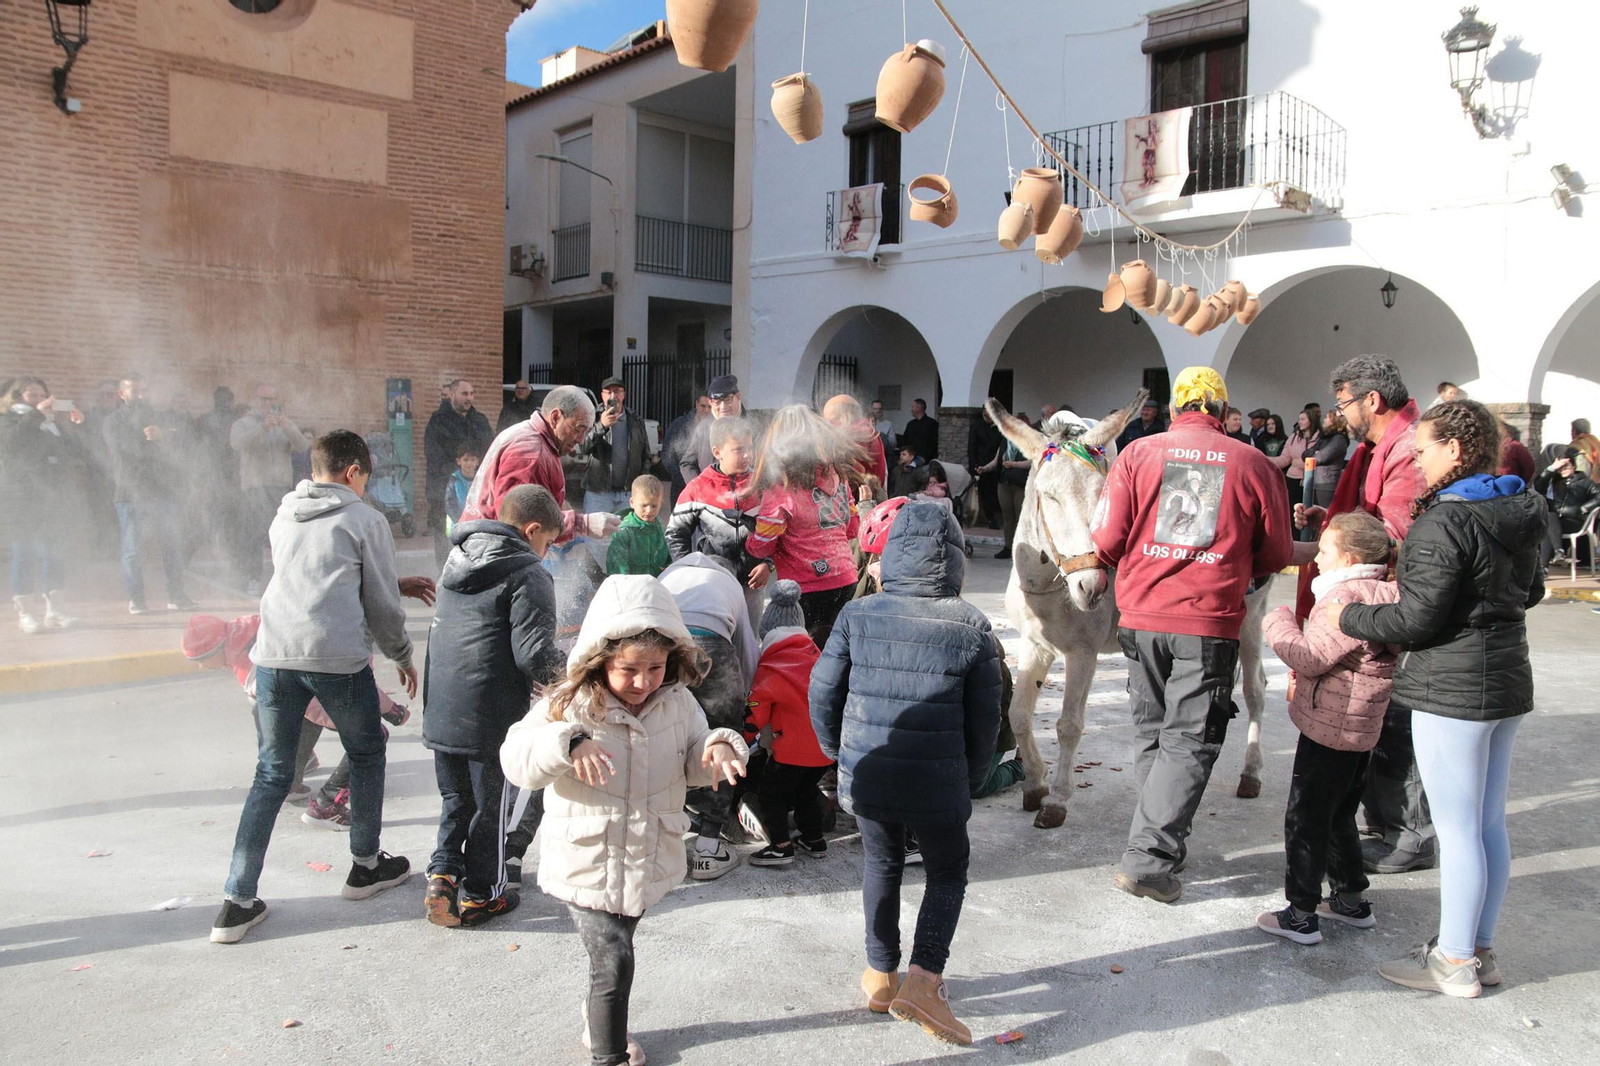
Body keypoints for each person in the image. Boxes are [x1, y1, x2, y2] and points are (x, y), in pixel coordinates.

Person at [1324, 400, 1545, 998]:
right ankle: (1478, 951)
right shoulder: (1522, 505)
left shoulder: (1443, 520)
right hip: (1504, 679)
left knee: (1457, 829)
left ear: (1454, 448)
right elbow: (1534, 589)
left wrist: (1352, 612)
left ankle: (1452, 961)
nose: (1417, 463)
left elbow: (1416, 618)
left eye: (1422, 451)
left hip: (1454, 688)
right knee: (1486, 824)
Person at [498, 575, 748, 1066]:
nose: (643, 681)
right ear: (600, 660)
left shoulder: (678, 701)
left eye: (655, 667)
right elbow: (515, 757)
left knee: (612, 960)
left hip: (642, 858)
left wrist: (716, 747)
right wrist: (567, 742)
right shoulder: (570, 704)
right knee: (614, 961)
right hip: (587, 860)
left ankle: (600, 1023)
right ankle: (607, 1053)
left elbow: (693, 756)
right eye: (629, 670)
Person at [1091, 366, 1293, 903]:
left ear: (1176, 407)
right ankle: (1150, 859)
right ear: (1223, 411)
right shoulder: (1254, 462)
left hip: (1139, 617)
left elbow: (1107, 539)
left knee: (1152, 731)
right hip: (1206, 621)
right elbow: (1274, 554)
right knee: (1190, 739)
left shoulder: (1136, 454)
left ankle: (1158, 841)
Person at [211, 431, 419, 945]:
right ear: (354, 472)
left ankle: (236, 903)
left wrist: (395, 585)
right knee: (367, 751)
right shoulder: (365, 519)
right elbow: (379, 605)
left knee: (272, 775)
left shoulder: (285, 513)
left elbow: (321, 578)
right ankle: (365, 867)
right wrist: (402, 655)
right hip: (334, 657)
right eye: (366, 477)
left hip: (276, 654)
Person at [809, 500, 1001, 1046]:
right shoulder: (973, 625)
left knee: (882, 862)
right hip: (939, 780)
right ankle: (924, 981)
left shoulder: (857, 614)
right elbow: (985, 720)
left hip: (869, 772)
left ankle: (880, 976)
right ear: (956, 561)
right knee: (947, 870)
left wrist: (836, 753)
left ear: (891, 555)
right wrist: (974, 780)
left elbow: (823, 691)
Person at [1294, 355, 1432, 875]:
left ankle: (1410, 834)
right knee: (1380, 717)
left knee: (1393, 719)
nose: (1340, 414)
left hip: (1393, 604)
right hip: (1378, 601)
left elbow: (1393, 537)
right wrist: (1330, 525)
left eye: (1344, 403)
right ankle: (1388, 822)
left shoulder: (1406, 450)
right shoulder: (1378, 447)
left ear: (1371, 401)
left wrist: (1343, 541)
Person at [422, 484, 564, 929]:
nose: (545, 554)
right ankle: (484, 894)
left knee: (454, 799)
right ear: (532, 530)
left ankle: (443, 875)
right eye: (546, 544)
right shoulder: (527, 573)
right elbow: (534, 655)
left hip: (442, 707)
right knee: (490, 808)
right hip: (489, 714)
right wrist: (571, 679)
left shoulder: (456, 559)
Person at [1257, 511, 1400, 946]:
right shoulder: (1385, 592)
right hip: (1359, 725)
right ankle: (1350, 899)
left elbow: (1310, 658)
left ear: (1350, 556)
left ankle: (1301, 913)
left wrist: (1276, 621)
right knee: (1340, 813)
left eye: (1324, 551)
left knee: (1306, 817)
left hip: (1329, 727)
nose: (1315, 559)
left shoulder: (1344, 597)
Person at [182, 610, 416, 828]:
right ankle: (301, 783)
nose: (203, 667)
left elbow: (325, 699)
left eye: (203, 659)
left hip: (316, 683)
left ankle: (322, 801)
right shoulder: (256, 627)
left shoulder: (251, 666)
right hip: (315, 681)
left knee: (368, 733)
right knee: (336, 720)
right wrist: (387, 710)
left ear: (218, 648)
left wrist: (375, 714)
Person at [659, 552, 759, 878]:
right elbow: (745, 645)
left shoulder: (669, 575)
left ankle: (663, 837)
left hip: (666, 650)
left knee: (665, 735)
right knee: (722, 740)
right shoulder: (729, 582)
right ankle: (707, 848)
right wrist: (743, 699)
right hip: (715, 646)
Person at [746, 405, 861, 647]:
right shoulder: (837, 475)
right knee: (838, 651)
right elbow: (852, 527)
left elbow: (764, 543)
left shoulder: (783, 485)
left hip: (805, 586)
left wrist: (750, 544)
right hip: (846, 576)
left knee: (807, 654)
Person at [742, 580, 833, 866]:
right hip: (823, 751)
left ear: (768, 634)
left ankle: (780, 846)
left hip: (790, 751)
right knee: (805, 791)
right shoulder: (819, 659)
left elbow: (756, 709)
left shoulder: (772, 667)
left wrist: (741, 739)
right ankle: (814, 838)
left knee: (772, 795)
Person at [460, 386, 619, 544]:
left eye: (587, 432)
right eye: (579, 429)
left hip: (488, 546)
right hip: (490, 551)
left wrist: (558, 507)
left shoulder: (535, 437)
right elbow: (518, 520)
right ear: (556, 417)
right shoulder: (529, 454)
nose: (581, 440)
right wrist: (582, 525)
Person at [103, 373, 193, 614]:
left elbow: (182, 441)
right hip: (130, 494)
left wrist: (164, 436)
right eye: (135, 390)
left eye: (144, 390)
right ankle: (137, 599)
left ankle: (176, 595)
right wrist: (151, 440)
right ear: (122, 394)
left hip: (162, 491)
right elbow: (124, 450)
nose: (141, 395)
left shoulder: (159, 417)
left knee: (172, 544)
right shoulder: (113, 421)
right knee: (133, 549)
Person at [665, 416, 767, 624]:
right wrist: (690, 568)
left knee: (750, 640)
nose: (747, 455)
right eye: (738, 449)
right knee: (718, 633)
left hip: (753, 582)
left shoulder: (762, 483)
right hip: (713, 581)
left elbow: (778, 529)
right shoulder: (698, 487)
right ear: (717, 452)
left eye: (749, 447)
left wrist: (768, 564)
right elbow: (675, 533)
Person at [3, 376, 85, 631]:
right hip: (21, 498)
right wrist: (36, 416)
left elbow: (70, 453)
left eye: (42, 395)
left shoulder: (49, 424)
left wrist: (75, 426)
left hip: (53, 498)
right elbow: (12, 445)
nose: (38, 400)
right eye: (31, 395)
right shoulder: (10, 420)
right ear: (17, 397)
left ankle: (55, 610)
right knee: (24, 554)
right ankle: (25, 613)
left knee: (54, 554)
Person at [230, 384, 311, 595]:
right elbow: (237, 443)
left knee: (284, 536)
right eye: (264, 399)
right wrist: (262, 428)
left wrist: (288, 427)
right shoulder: (243, 423)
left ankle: (284, 579)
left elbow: (302, 446)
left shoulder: (284, 423)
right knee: (254, 535)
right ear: (255, 400)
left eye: (272, 399)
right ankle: (253, 578)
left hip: (280, 487)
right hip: (254, 488)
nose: (268, 404)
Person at [424, 379, 494, 570]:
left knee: (476, 538)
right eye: (464, 394)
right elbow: (433, 456)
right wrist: (459, 474)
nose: (469, 398)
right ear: (452, 394)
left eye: (471, 394)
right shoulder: (438, 421)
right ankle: (446, 578)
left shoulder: (479, 420)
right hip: (443, 490)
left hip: (475, 490)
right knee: (445, 541)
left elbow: (491, 450)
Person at [581, 377, 652, 518]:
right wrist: (601, 426)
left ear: (623, 395)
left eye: (617, 391)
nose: (613, 396)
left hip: (628, 494)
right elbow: (583, 446)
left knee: (626, 537)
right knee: (595, 538)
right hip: (598, 493)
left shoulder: (635, 420)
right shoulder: (592, 417)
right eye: (609, 392)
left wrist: (641, 487)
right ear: (602, 395)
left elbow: (646, 456)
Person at [1534, 447, 1599, 564]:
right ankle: (1557, 553)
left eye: (1566, 466)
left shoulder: (1586, 483)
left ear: (1574, 466)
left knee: (1547, 524)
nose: (1563, 469)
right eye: (1560, 468)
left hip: (1574, 521)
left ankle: (1545, 565)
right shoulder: (1556, 482)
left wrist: (1583, 508)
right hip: (1556, 522)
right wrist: (1552, 468)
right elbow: (1538, 485)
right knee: (1547, 518)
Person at [678, 375, 745, 486]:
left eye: (728, 400)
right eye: (717, 402)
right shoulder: (704, 428)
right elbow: (687, 464)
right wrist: (700, 487)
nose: (723, 407)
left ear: (738, 397)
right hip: (707, 500)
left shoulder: (753, 428)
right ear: (710, 402)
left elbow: (760, 470)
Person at [605, 475, 671, 577]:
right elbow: (617, 569)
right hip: (631, 589)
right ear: (632, 502)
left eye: (654, 506)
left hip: (657, 587)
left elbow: (670, 561)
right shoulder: (624, 532)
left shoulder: (662, 530)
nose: (649, 511)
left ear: (661, 503)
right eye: (644, 505)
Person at [1271, 407, 1321, 537]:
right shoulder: (1293, 437)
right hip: (1292, 480)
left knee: (1308, 514)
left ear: (1311, 420)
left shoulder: (1320, 438)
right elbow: (1284, 459)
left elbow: (1320, 459)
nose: (1300, 422)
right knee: (1292, 514)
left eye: (1303, 419)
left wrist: (1300, 463)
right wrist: (1265, 459)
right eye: (1299, 419)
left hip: (1312, 482)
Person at [822, 394, 889, 489]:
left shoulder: (856, 437)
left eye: (832, 420)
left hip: (858, 496)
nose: (828, 426)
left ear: (845, 416)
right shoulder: (869, 433)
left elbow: (851, 478)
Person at [984, 433, 1030, 561]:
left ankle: (1023, 548)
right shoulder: (1005, 442)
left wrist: (1014, 464)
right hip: (1004, 483)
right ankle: (1008, 547)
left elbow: (1032, 461)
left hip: (1019, 483)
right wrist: (985, 468)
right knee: (1008, 517)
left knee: (1020, 516)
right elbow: (996, 461)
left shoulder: (1027, 441)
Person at [663, 392, 711, 500]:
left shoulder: (716, 427)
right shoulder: (679, 424)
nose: (706, 410)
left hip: (707, 490)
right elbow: (667, 453)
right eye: (703, 406)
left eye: (710, 407)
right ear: (697, 404)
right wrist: (680, 476)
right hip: (680, 487)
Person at [1307, 410, 1350, 511]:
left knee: (1324, 515)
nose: (1324, 420)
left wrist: (1316, 453)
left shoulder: (1339, 439)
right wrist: (1315, 453)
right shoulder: (1323, 438)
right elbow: (1306, 454)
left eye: (1327, 417)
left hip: (1327, 483)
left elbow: (1321, 457)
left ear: (1334, 421)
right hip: (1316, 481)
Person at [968, 405, 1003, 527]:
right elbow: (972, 447)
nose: (986, 414)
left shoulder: (1000, 427)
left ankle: (998, 516)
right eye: (985, 412)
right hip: (981, 465)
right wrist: (974, 465)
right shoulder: (977, 427)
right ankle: (991, 518)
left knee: (996, 492)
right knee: (985, 493)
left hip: (997, 464)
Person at [445, 441, 483, 535]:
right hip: (457, 526)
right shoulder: (454, 480)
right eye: (465, 460)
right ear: (459, 461)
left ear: (477, 461)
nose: (469, 463)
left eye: (472, 460)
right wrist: (460, 521)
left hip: (478, 525)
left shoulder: (482, 479)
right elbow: (450, 503)